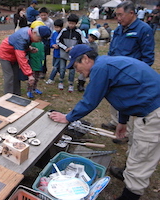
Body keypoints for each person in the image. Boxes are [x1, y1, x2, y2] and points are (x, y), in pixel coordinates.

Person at [49, 44, 160, 200]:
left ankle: (130, 195)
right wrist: (122, 121)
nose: (77, 70)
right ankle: (128, 173)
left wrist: (67, 117)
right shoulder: (105, 64)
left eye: (76, 65)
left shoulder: (100, 68)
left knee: (143, 154)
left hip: (154, 113)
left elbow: (90, 101)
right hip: (145, 110)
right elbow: (126, 92)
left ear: (86, 59)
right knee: (135, 145)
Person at [103, 1, 155, 136]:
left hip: (130, 75)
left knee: (129, 104)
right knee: (116, 100)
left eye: (121, 15)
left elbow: (148, 57)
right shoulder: (119, 29)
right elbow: (113, 48)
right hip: (115, 73)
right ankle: (116, 122)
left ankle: (127, 133)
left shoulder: (144, 29)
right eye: (116, 15)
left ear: (131, 13)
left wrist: (135, 76)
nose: (118, 18)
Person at [0, 25, 51, 96]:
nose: (39, 41)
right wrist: (29, 74)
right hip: (5, 54)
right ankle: (7, 97)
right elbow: (21, 58)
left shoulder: (28, 33)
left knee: (16, 76)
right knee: (9, 76)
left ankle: (16, 95)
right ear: (34, 33)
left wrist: (29, 48)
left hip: (14, 55)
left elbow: (22, 46)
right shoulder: (22, 37)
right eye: (40, 39)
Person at [56, 13, 86, 92]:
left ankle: (71, 83)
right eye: (69, 23)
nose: (71, 25)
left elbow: (82, 43)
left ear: (76, 24)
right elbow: (58, 41)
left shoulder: (79, 32)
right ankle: (61, 81)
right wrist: (65, 48)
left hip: (74, 55)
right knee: (62, 68)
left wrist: (73, 48)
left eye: (73, 23)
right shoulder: (64, 31)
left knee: (72, 70)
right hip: (63, 53)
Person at [26, 22, 46, 98]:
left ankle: (34, 88)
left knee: (37, 77)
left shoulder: (41, 42)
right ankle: (29, 90)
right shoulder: (32, 41)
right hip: (33, 63)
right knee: (32, 78)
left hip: (39, 62)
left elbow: (42, 51)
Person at [36, 7, 54, 79]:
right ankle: (38, 70)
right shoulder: (38, 21)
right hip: (39, 39)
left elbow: (52, 32)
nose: (43, 17)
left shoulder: (50, 22)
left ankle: (43, 71)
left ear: (47, 14)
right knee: (38, 55)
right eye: (42, 15)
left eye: (44, 15)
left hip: (46, 40)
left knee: (44, 56)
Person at [46, 19, 64, 85]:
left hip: (61, 54)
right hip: (55, 53)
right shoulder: (54, 33)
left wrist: (60, 45)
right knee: (55, 65)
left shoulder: (63, 34)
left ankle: (51, 78)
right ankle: (62, 74)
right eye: (55, 27)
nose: (56, 29)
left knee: (55, 66)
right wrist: (52, 45)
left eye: (57, 27)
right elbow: (51, 41)